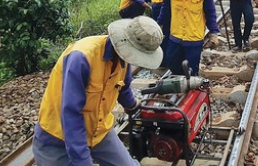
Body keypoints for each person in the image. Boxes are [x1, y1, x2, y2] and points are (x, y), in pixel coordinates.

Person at [33, 16, 163, 166]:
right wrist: (83, 160)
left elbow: (123, 88)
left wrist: (135, 108)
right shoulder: (82, 58)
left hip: (99, 131)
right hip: (58, 137)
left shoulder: (123, 59)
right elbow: (70, 114)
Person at [158, 0, 220, 75]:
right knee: (172, 63)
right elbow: (165, 8)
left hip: (194, 38)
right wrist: (159, 25)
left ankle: (190, 90)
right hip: (175, 35)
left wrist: (213, 33)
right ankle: (180, 84)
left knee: (192, 70)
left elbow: (210, 13)